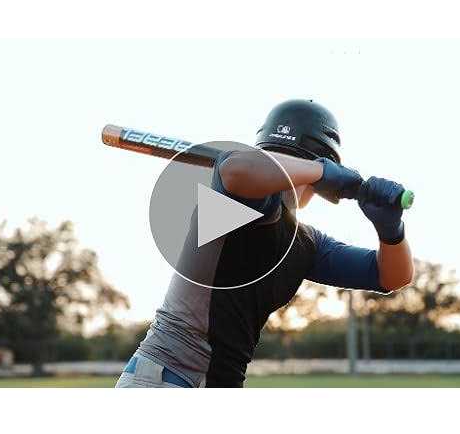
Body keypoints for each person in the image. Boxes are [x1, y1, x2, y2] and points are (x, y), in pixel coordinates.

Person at [116, 99, 414, 388]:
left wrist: (391, 232)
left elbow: (391, 276)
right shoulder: (236, 200)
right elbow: (235, 169)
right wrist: (321, 170)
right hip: (168, 377)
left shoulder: (306, 243)